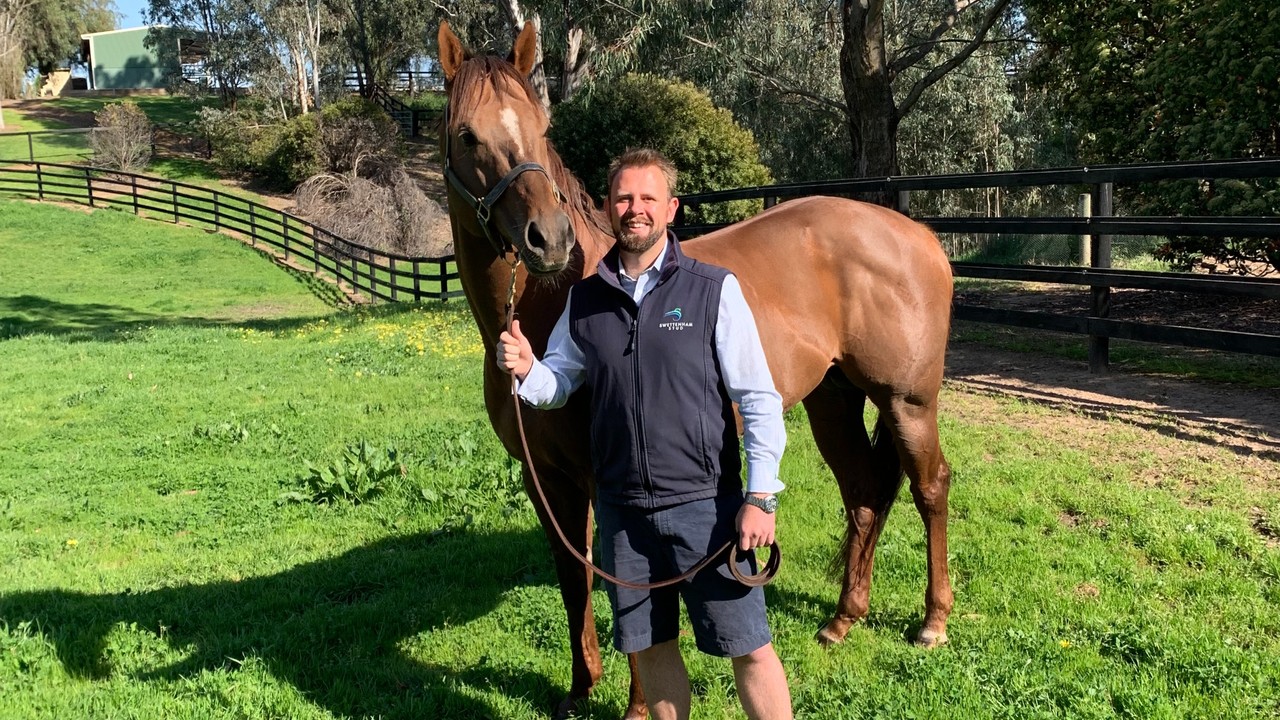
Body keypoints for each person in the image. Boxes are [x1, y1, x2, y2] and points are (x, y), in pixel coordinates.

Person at [496, 148, 793, 720]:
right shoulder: (584, 301)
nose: (636, 210)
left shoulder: (712, 290)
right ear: (607, 207)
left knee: (749, 649)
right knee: (654, 649)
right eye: (625, 198)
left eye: (648, 198)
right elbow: (560, 383)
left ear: (671, 209)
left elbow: (757, 398)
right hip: (623, 515)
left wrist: (760, 497)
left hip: (706, 508)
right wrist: (530, 367)